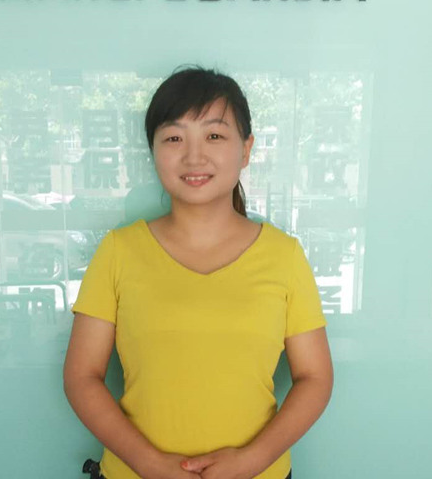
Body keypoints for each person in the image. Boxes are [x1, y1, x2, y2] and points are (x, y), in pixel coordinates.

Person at [63, 66, 334, 479]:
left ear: (246, 149)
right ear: (153, 151)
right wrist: (150, 464)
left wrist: (250, 461)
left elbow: (315, 378)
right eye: (174, 138)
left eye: (214, 136)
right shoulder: (118, 251)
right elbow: (82, 377)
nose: (194, 156)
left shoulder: (285, 256)